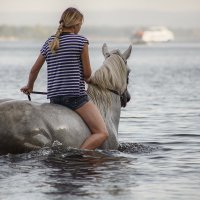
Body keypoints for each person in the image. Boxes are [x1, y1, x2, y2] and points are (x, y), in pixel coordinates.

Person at [20, 7, 108, 150]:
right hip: (76, 98)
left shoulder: (50, 41)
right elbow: (87, 74)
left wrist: (30, 87)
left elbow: (34, 70)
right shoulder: (81, 41)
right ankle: (80, 155)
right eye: (80, 24)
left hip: (55, 99)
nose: (80, 27)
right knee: (102, 132)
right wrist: (89, 79)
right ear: (76, 24)